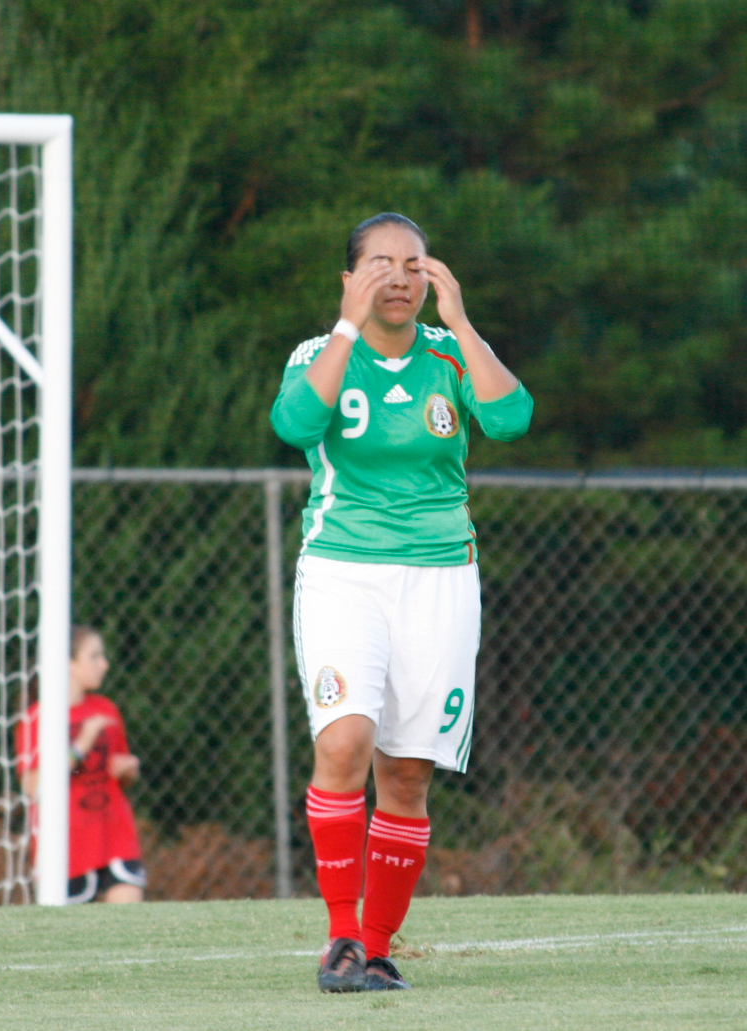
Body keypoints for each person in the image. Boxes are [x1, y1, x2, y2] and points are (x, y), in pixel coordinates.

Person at [270, 213, 533, 991]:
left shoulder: (450, 353)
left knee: (408, 771)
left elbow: (511, 419)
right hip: (345, 573)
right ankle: (340, 939)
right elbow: (294, 423)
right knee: (345, 743)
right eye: (379, 262)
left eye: (413, 264)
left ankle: (378, 947)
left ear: (431, 277)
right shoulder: (321, 355)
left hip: (442, 578)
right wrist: (347, 330)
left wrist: (461, 321)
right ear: (349, 278)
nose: (398, 276)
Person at [16, 625, 146, 904]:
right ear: (68, 664)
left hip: (114, 835)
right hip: (66, 846)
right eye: (94, 656)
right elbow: (33, 787)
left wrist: (127, 770)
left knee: (132, 926)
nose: (104, 664)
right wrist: (80, 746)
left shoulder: (106, 709)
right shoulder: (37, 718)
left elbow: (121, 776)